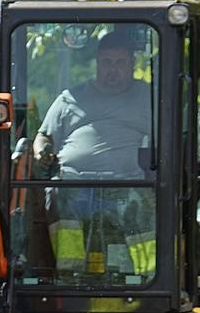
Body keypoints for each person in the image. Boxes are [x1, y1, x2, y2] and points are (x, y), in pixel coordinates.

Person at [28, 27, 157, 282]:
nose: (113, 69)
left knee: (144, 207)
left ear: (132, 64)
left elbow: (172, 137)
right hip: (74, 184)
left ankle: (146, 277)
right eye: (107, 62)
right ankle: (70, 275)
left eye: (120, 62)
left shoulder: (149, 98)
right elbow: (43, 137)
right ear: (98, 63)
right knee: (58, 198)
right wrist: (42, 151)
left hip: (128, 184)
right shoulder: (70, 99)